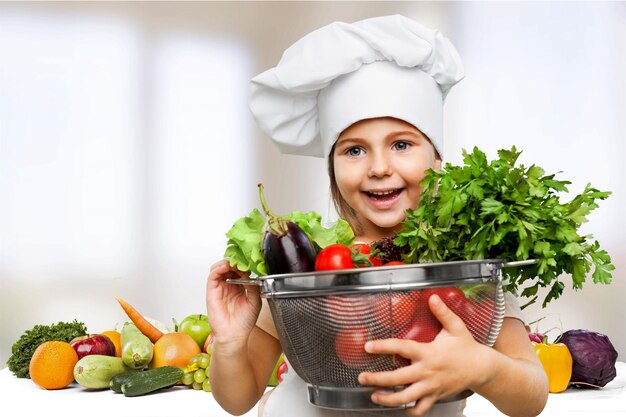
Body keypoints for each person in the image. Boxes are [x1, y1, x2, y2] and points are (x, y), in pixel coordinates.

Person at [206, 15, 549, 417]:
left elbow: (532, 396)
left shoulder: (465, 262)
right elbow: (237, 398)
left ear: (437, 160)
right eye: (354, 150)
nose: (379, 167)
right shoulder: (310, 260)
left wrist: (484, 367)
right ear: (332, 166)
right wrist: (229, 342)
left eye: (402, 144)